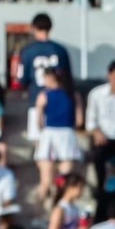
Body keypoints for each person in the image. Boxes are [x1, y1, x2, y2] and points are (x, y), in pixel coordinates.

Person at [34, 64, 81, 204]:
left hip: (50, 135)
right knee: (65, 180)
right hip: (67, 136)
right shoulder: (74, 95)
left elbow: (39, 121)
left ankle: (42, 211)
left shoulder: (43, 96)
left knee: (46, 182)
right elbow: (79, 121)